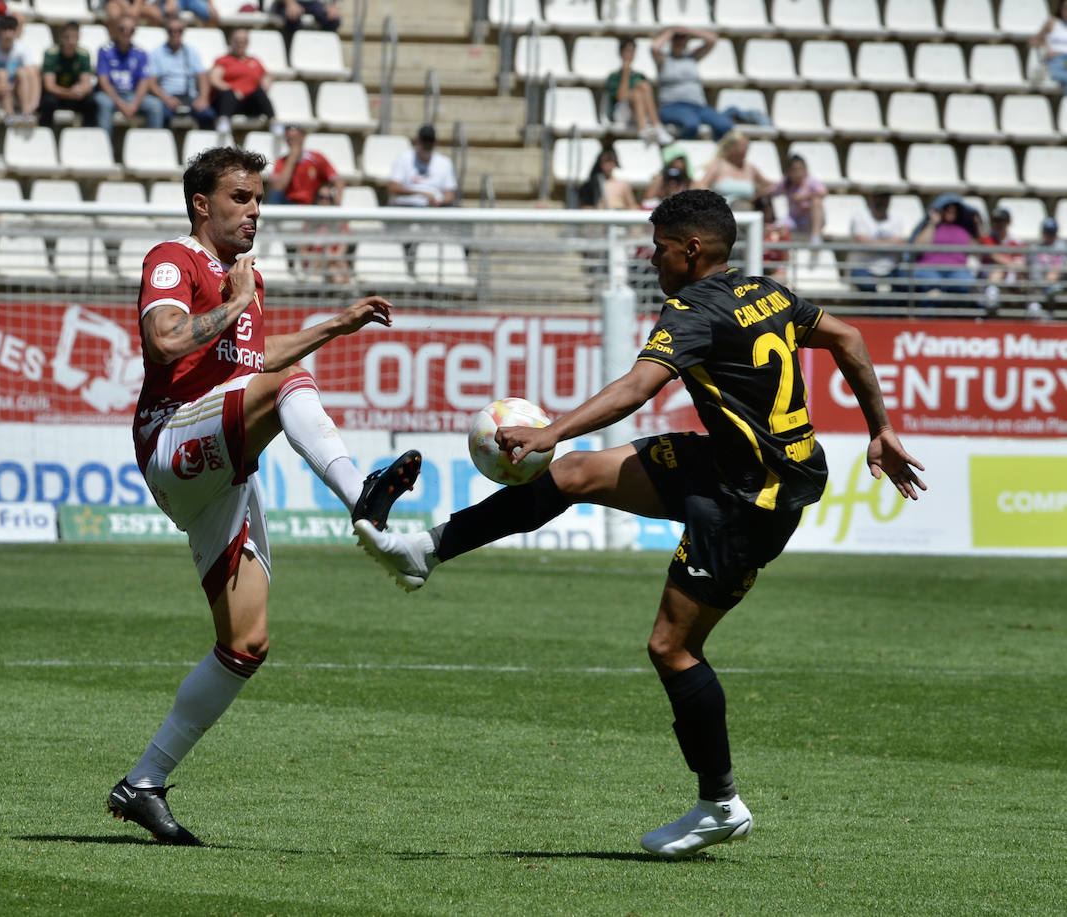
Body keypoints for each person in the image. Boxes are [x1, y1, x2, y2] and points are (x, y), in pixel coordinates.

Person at [355, 189, 926, 860]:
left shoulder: (691, 310)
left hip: (752, 502)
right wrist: (881, 429)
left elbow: (636, 387)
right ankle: (424, 551)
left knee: (671, 647)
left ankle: (720, 803)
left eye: (658, 246)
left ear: (691, 249)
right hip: (731, 466)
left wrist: (550, 430)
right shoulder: (765, 290)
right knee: (571, 475)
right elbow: (851, 338)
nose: (649, 257)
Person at [105, 146, 424, 845]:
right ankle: (362, 496)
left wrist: (335, 323)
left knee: (245, 642)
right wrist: (239, 302)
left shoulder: (247, 279)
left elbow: (256, 364)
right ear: (202, 205)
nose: (254, 211)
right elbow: (163, 344)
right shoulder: (174, 259)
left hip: (220, 469)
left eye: (258, 200)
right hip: (171, 441)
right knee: (286, 389)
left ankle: (144, 782)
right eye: (240, 198)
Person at [650, 26, 733, 140]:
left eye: (683, 38)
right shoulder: (664, 59)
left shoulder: (692, 57)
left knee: (725, 124)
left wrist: (689, 31)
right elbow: (655, 47)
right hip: (672, 106)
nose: (680, 41)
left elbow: (712, 39)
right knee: (692, 124)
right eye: (677, 38)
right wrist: (672, 31)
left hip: (698, 107)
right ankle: (687, 152)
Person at [146, 17, 215, 130]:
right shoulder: (156, 53)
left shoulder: (192, 52)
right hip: (166, 97)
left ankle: (208, 147)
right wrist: (167, 99)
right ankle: (164, 146)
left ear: (183, 32)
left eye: (179, 30)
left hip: (190, 96)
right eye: (171, 30)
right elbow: (151, 84)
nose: (175, 34)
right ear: (166, 31)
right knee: (162, 115)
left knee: (208, 115)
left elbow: (202, 78)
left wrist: (202, 98)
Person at [94, 14, 157, 137]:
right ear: (115, 30)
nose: (126, 33)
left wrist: (134, 104)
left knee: (155, 105)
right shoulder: (105, 50)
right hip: (110, 95)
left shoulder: (141, 53)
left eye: (131, 30)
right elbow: (103, 82)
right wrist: (121, 104)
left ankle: (153, 148)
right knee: (104, 103)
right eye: (122, 29)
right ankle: (105, 149)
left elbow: (144, 81)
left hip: (131, 95)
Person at [208, 27, 277, 136]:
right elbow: (214, 79)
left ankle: (274, 122)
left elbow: (266, 75)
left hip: (248, 103)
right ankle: (224, 121)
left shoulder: (255, 61)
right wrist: (233, 90)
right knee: (228, 94)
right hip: (229, 102)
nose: (240, 44)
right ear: (231, 42)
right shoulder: (223, 60)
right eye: (237, 41)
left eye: (243, 41)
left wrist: (267, 80)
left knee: (259, 93)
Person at [909, 193, 978, 296]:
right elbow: (918, 246)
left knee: (965, 281)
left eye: (954, 209)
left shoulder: (963, 231)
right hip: (930, 268)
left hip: (957, 270)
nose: (950, 212)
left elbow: (978, 250)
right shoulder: (931, 228)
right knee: (932, 284)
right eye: (947, 209)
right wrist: (932, 223)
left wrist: (977, 224)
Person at [607, 39, 672, 146]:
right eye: (627, 51)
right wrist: (625, 73)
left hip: (639, 111)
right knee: (636, 94)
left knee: (644, 86)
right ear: (621, 53)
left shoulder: (639, 76)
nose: (630, 54)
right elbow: (620, 97)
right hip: (621, 113)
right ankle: (643, 130)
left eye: (632, 51)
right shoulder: (614, 76)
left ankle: (656, 126)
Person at [694, 129, 772, 212]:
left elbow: (770, 185)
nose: (746, 150)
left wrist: (758, 195)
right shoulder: (718, 165)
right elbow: (700, 185)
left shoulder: (750, 168)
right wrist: (716, 200)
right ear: (732, 147)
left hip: (748, 210)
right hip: (723, 210)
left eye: (747, 146)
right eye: (743, 146)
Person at [37, 19, 96, 128]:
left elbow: (86, 83)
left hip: (74, 96)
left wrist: (80, 90)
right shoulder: (51, 54)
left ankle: (87, 135)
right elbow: (49, 86)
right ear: (61, 38)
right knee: (48, 103)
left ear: (78, 38)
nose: (70, 41)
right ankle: (46, 134)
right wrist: (69, 93)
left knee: (91, 103)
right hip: (57, 95)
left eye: (74, 38)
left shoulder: (84, 55)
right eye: (67, 37)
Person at [267, 123, 342, 205]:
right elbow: (277, 188)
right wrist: (292, 159)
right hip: (289, 203)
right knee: (274, 195)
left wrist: (337, 202)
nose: (292, 142)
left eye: (295, 138)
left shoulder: (316, 158)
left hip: (311, 203)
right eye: (289, 139)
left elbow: (337, 181)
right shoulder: (282, 161)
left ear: (302, 137)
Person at [847, 192, 904, 295]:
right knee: (869, 286)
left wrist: (873, 243)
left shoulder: (897, 217)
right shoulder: (859, 216)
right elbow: (862, 241)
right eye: (877, 197)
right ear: (870, 198)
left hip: (891, 269)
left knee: (905, 282)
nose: (881, 201)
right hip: (864, 269)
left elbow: (901, 242)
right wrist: (890, 243)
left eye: (885, 197)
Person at [386, 123, 456, 207]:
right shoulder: (403, 158)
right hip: (407, 206)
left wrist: (440, 202)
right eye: (424, 141)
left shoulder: (445, 162)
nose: (427, 144)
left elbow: (450, 194)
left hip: (435, 208)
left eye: (430, 141)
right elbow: (393, 188)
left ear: (435, 143)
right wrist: (421, 194)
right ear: (417, 141)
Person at [769, 154, 826, 243]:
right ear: (788, 171)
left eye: (800, 169)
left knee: (816, 201)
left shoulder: (811, 181)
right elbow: (773, 191)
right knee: (775, 226)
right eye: (795, 170)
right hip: (794, 220)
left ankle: (816, 237)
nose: (798, 173)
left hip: (809, 220)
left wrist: (803, 197)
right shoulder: (786, 182)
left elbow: (823, 193)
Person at [979, 208, 1023, 313]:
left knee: (1021, 276)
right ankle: (992, 302)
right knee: (998, 271)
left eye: (1001, 221)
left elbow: (1020, 264)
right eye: (995, 221)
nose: (998, 224)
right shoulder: (987, 239)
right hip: (987, 276)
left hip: (1010, 277)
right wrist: (1009, 264)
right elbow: (993, 254)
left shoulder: (1015, 242)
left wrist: (1011, 267)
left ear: (1008, 223)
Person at [577, 145, 636, 210]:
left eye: (610, 162)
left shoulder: (623, 184)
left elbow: (632, 206)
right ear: (600, 164)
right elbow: (585, 208)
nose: (608, 166)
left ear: (615, 164)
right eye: (605, 162)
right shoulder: (592, 184)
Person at [1027, 217, 1065, 316]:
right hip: (1039, 287)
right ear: (1042, 232)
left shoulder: (1062, 247)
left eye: (1052, 232)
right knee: (1034, 309)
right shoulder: (1035, 247)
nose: (1049, 235)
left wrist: (1056, 270)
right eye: (1047, 232)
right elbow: (1033, 271)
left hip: (1058, 286)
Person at [1029, 0, 1067, 92]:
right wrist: (1045, 45)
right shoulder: (1052, 23)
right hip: (1056, 60)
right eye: (1065, 8)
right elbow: (1033, 42)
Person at [272, 0, 339, 51]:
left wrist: (335, 5)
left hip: (312, 3)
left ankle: (324, 54)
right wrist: (290, 3)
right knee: (292, 17)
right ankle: (290, 57)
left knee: (333, 20)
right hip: (284, 3)